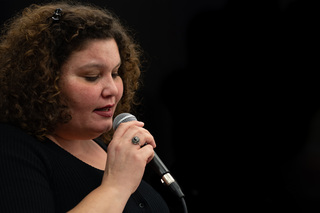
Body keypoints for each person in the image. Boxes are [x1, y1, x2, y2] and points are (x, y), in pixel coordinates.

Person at [0, 1, 169, 212]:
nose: (112, 90)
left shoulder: (105, 146)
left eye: (116, 73)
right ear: (43, 81)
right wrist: (116, 186)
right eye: (91, 76)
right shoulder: (12, 149)